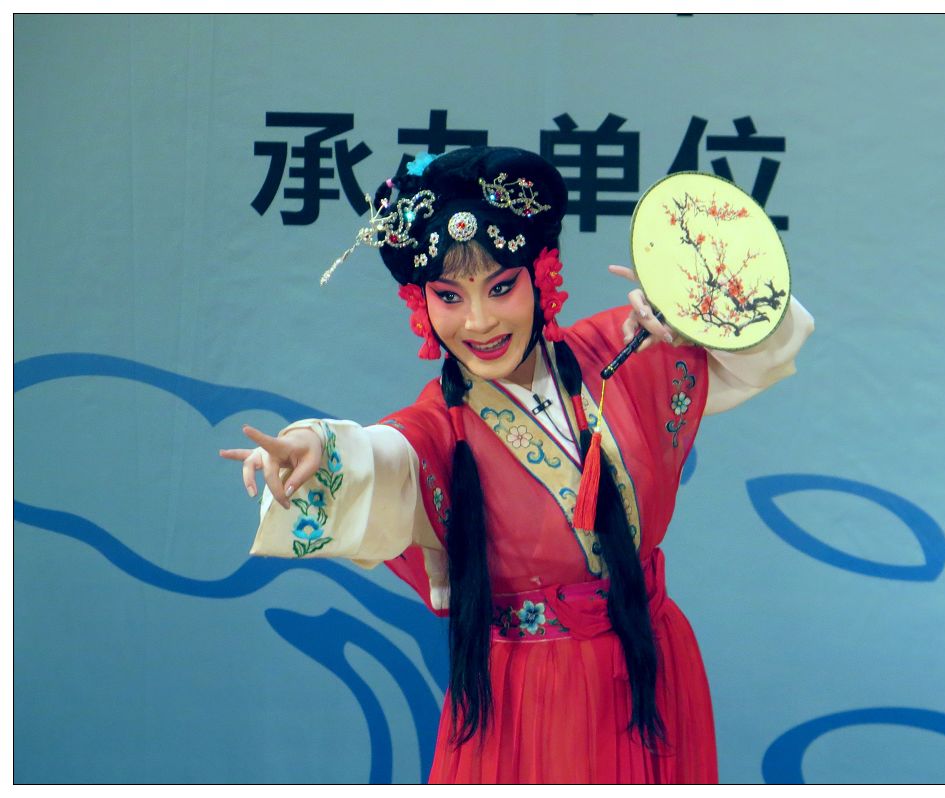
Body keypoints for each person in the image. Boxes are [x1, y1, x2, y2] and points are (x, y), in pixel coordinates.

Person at [220, 147, 814, 784]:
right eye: (450, 296)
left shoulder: (621, 349)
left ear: (542, 275)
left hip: (653, 662)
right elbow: (385, 455)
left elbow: (762, 350)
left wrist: (694, 310)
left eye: (501, 287)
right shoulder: (440, 427)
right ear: (422, 305)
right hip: (532, 694)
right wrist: (316, 445)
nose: (479, 321)